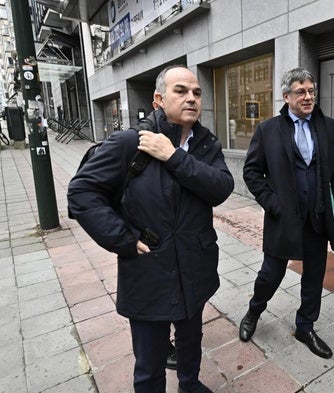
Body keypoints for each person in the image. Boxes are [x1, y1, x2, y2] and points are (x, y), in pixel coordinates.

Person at [68, 65, 234, 393]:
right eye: (181, 91)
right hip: (148, 272)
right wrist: (124, 239)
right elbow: (81, 193)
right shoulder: (131, 142)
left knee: (190, 340)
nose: (192, 98)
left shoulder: (206, 144)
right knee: (149, 363)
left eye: (197, 93)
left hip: (194, 266)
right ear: (159, 99)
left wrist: (174, 157)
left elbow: (221, 187)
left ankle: (189, 383)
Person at [239, 68, 334, 359]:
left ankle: (305, 327)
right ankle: (254, 311)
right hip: (283, 220)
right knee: (269, 274)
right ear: (286, 96)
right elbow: (252, 172)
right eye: (300, 91)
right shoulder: (268, 130)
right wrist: (272, 204)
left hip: (317, 217)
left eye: (311, 91)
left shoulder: (330, 127)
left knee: (314, 277)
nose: (308, 96)